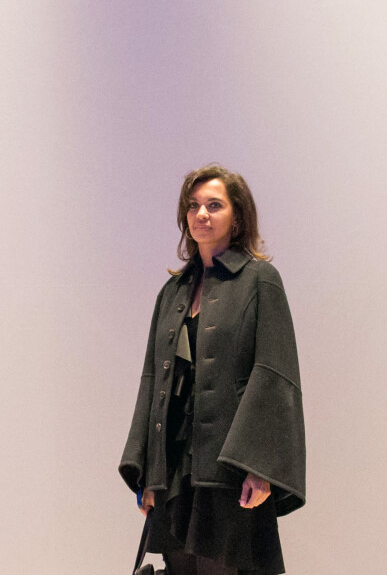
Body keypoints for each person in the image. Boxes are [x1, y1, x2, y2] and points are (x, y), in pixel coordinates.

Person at [119, 164, 306, 575]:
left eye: (214, 205)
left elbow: (274, 372)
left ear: (236, 216)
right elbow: (154, 381)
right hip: (176, 468)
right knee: (180, 566)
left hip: (229, 466)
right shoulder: (173, 292)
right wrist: (148, 472)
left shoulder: (260, 280)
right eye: (193, 206)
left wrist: (260, 466)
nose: (201, 213)